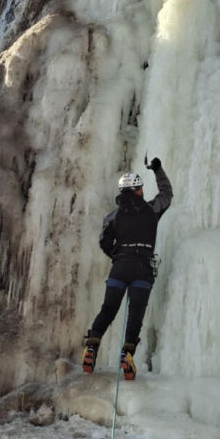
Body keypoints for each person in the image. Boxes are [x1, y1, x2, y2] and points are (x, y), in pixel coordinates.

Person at [82, 157, 173, 380]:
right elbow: (167, 194)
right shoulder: (151, 210)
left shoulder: (112, 217)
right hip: (143, 268)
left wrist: (117, 256)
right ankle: (127, 354)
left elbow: (104, 242)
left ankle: (92, 346)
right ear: (139, 190)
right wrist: (158, 170)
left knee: (108, 310)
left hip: (120, 268)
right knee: (136, 313)